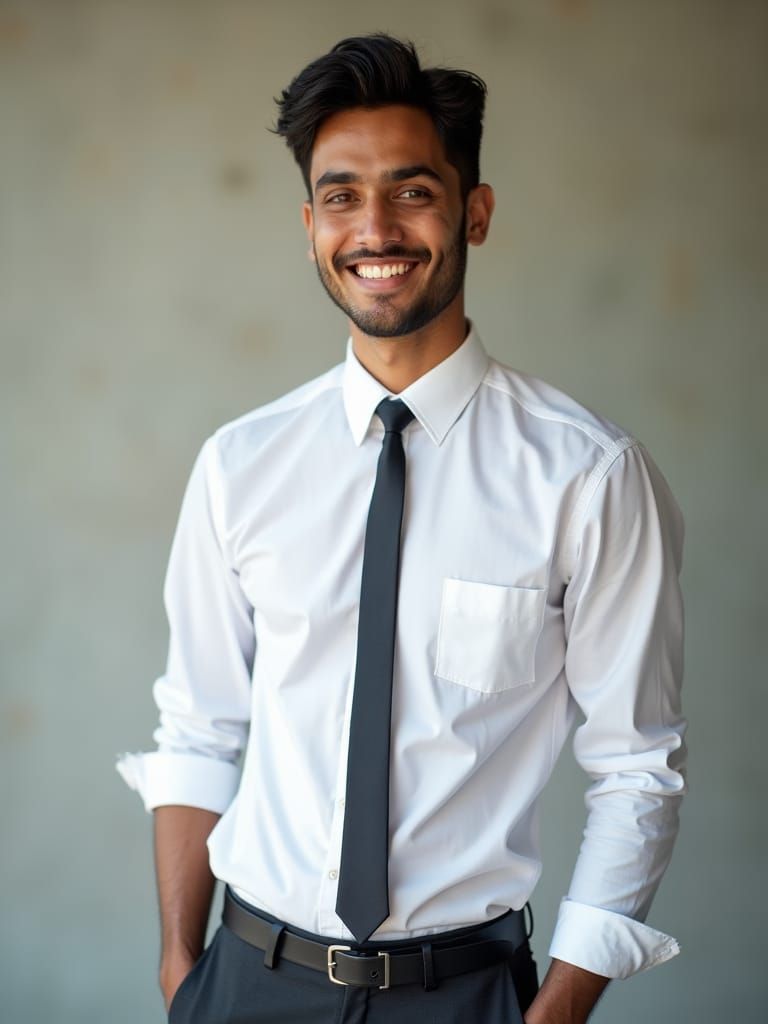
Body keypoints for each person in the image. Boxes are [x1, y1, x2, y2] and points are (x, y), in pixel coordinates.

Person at [118, 33, 686, 1024]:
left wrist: (554, 1013)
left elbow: (637, 767)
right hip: (247, 980)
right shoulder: (241, 465)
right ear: (309, 226)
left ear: (476, 210)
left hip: (465, 992)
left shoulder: (587, 474)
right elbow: (200, 728)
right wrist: (182, 972)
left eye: (412, 190)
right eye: (342, 194)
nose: (374, 225)